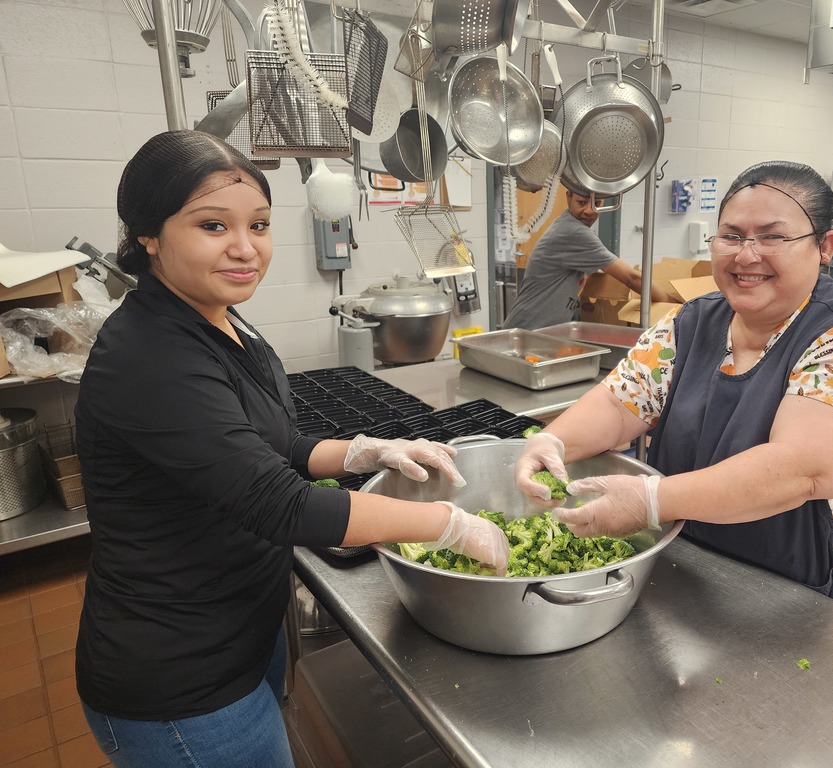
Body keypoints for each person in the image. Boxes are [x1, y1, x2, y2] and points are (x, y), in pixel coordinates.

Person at [74, 129, 509, 768]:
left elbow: (272, 444)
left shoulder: (218, 317)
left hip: (243, 627)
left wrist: (362, 452)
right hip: (180, 683)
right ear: (149, 237)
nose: (245, 248)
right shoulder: (149, 356)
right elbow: (280, 505)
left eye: (260, 224)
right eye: (213, 226)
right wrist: (448, 524)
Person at [515, 160, 833, 642]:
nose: (746, 255)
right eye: (731, 236)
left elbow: (805, 469)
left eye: (773, 237)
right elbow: (619, 402)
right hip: (710, 583)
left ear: (825, 247)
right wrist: (552, 441)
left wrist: (651, 501)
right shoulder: (692, 324)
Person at [501, 187, 671, 330]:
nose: (590, 211)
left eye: (597, 203)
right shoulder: (573, 232)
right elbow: (631, 277)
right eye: (581, 203)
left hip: (541, 333)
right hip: (527, 333)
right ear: (568, 197)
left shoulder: (569, 227)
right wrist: (670, 304)